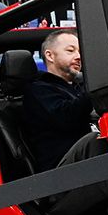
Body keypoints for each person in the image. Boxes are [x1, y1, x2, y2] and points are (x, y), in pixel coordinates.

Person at [23, 29, 92, 168]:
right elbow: (68, 117)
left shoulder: (75, 87)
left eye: (80, 51)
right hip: (62, 168)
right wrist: (96, 87)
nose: (79, 56)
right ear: (50, 55)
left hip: (84, 160)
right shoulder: (38, 90)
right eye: (70, 50)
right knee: (95, 141)